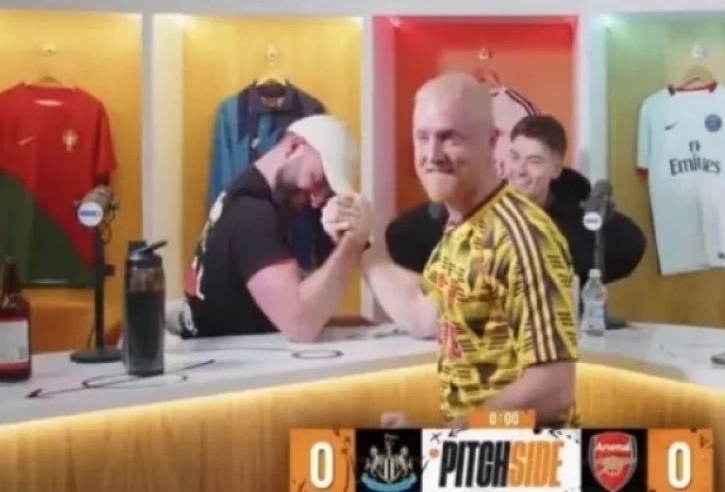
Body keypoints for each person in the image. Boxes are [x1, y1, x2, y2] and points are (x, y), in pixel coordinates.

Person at [325, 73, 579, 428]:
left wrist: (447, 437)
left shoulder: (522, 234)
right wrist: (359, 242)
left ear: (492, 141)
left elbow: (553, 390)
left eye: (450, 138)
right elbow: (422, 313)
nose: (432, 155)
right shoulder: (461, 224)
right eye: (422, 137)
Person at [385, 115, 646, 304]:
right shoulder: (481, 206)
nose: (519, 171)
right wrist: (456, 203)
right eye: (515, 157)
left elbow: (632, 245)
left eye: (534, 161)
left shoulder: (575, 218)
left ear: (556, 169)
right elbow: (399, 237)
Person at [173, 115, 368, 342]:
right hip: (229, 361)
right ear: (295, 147)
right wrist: (353, 242)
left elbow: (271, 299)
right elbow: (301, 324)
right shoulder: (253, 214)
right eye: (318, 180)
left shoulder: (241, 193)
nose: (316, 201)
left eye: (326, 193)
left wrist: (349, 324)